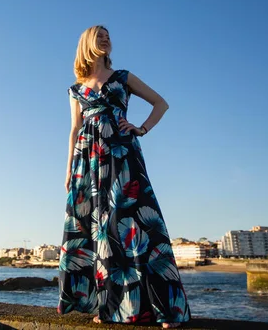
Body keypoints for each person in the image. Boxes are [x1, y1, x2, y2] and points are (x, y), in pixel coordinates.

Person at [58, 25, 191, 328]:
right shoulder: (76, 89)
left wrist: (142, 128)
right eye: (99, 36)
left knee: (138, 224)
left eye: (108, 37)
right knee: (98, 228)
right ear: (87, 44)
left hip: (123, 156)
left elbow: (161, 103)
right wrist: (69, 168)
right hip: (88, 163)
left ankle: (165, 309)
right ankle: (109, 306)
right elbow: (75, 130)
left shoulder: (123, 77)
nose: (106, 40)